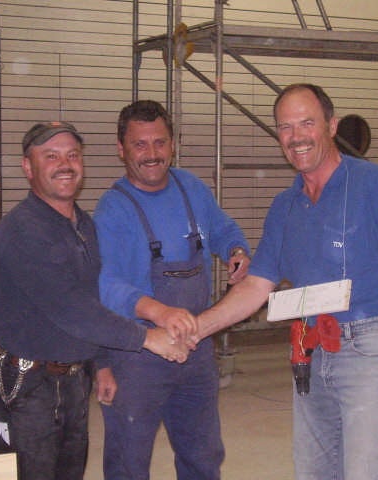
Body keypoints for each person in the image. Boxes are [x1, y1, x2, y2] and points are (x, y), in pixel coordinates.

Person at [194, 84, 378, 480]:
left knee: (367, 472)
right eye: (286, 127)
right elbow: (256, 286)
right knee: (314, 472)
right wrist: (195, 329)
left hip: (371, 347)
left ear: (331, 125)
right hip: (311, 348)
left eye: (307, 123)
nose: (297, 137)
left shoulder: (375, 186)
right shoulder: (285, 206)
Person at [0, 121, 188, 480]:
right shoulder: (22, 231)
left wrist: (101, 364)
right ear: (28, 167)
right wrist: (148, 338)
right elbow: (72, 310)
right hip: (26, 385)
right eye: (51, 156)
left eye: (73, 155)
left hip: (73, 380)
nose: (65, 164)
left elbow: (92, 297)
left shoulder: (82, 225)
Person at [92, 100, 251, 480]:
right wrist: (159, 313)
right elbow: (106, 285)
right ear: (121, 149)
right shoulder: (112, 210)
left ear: (173, 144)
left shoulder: (192, 188)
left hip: (196, 347)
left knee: (203, 455)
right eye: (140, 145)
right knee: (129, 462)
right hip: (138, 354)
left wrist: (236, 250)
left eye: (160, 142)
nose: (152, 154)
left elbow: (223, 228)